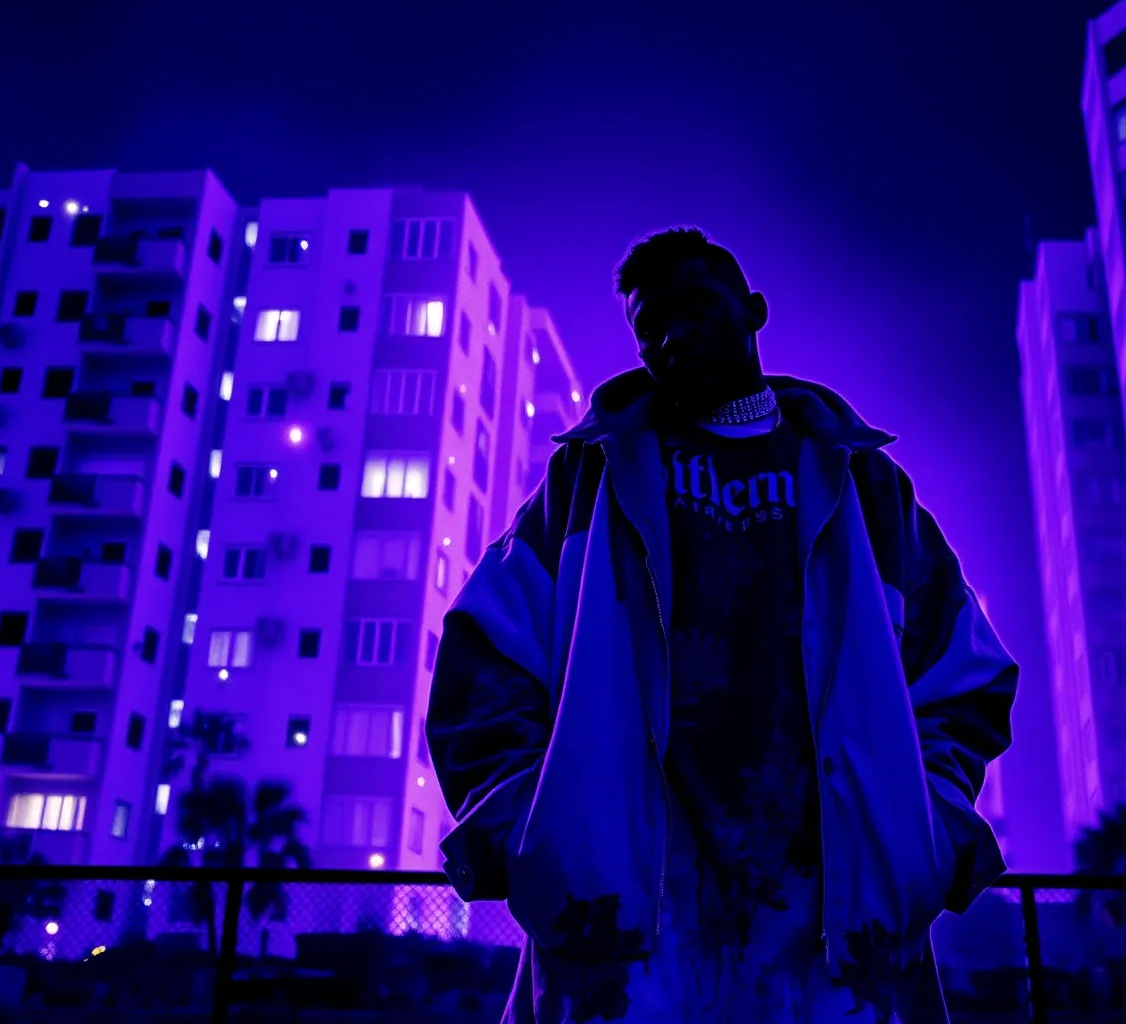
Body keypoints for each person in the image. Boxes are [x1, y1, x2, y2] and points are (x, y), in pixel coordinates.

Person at [426, 227, 1018, 1023]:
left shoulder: (865, 485)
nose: (673, 334)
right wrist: (536, 836)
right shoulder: (587, 479)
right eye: (650, 325)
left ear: (754, 310)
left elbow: (964, 674)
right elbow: (483, 658)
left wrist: (924, 828)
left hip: (833, 939)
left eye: (697, 306)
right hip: (626, 938)